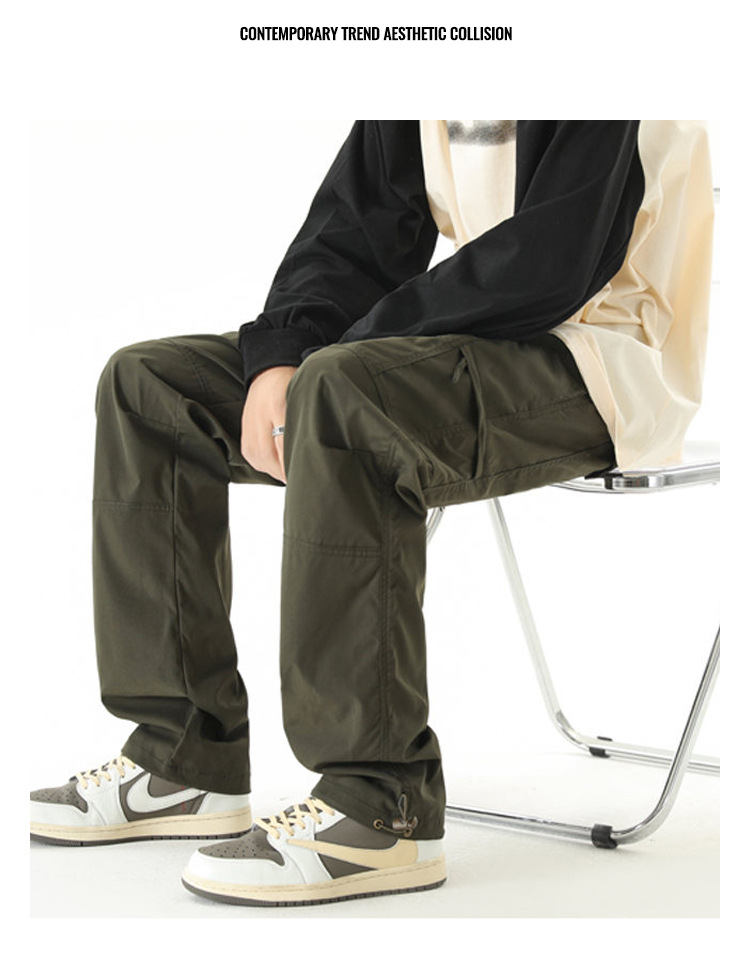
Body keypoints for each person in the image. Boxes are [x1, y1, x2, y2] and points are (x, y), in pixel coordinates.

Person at [30, 120, 714, 907]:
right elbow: (353, 231)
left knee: (343, 393)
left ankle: (383, 805)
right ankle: (182, 760)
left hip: (605, 360)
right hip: (473, 340)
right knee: (148, 387)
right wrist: (282, 353)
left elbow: (551, 260)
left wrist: (335, 358)